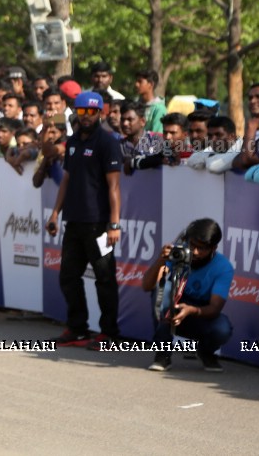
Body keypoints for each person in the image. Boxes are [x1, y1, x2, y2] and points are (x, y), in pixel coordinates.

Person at [46, 91, 123, 349]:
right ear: (76, 113)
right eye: (82, 111)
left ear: (100, 112)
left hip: (100, 224)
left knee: (104, 279)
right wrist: (55, 212)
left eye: (91, 112)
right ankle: (78, 328)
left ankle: (109, 333)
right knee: (68, 276)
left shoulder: (108, 142)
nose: (86, 116)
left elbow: (114, 187)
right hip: (74, 222)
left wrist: (114, 224)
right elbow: (66, 179)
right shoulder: (73, 141)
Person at [142, 218, 234, 372]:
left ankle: (205, 352)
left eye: (202, 248)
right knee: (162, 289)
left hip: (198, 315)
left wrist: (191, 310)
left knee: (223, 328)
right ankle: (162, 354)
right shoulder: (178, 253)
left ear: (214, 248)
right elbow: (147, 286)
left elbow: (215, 308)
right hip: (171, 312)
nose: (196, 252)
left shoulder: (224, 267)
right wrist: (161, 259)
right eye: (193, 245)